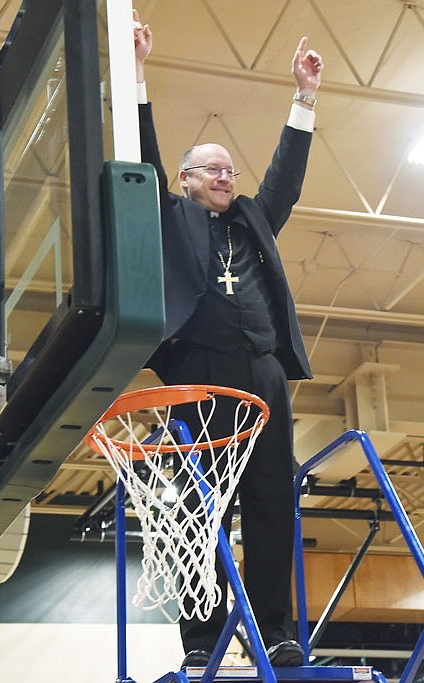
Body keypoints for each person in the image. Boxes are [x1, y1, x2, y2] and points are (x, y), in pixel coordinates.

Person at [132, 11, 323, 670]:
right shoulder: (172, 215)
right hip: (198, 372)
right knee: (194, 503)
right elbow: (144, 158)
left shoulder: (253, 221)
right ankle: (200, 631)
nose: (225, 176)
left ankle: (275, 629)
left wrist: (303, 98)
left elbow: (285, 180)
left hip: (263, 373)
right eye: (211, 169)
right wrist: (136, 74)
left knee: (272, 499)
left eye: (229, 169)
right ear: (186, 180)